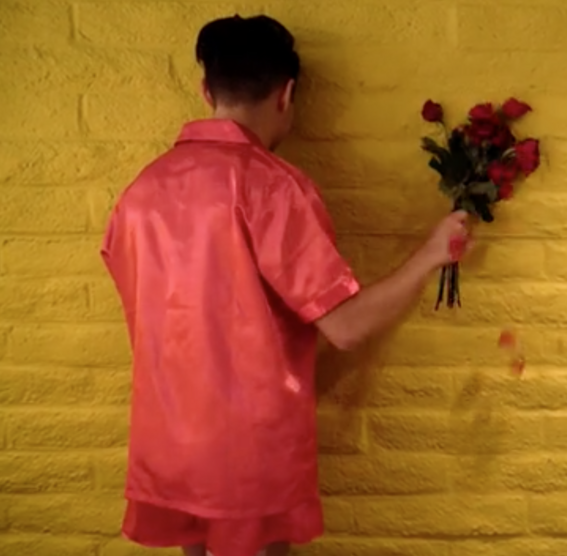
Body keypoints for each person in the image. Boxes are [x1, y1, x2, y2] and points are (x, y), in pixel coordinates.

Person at [99, 14, 471, 556]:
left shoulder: (140, 192)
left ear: (206, 89)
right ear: (288, 92)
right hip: (248, 450)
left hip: (169, 438)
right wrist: (430, 256)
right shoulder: (270, 187)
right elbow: (344, 326)